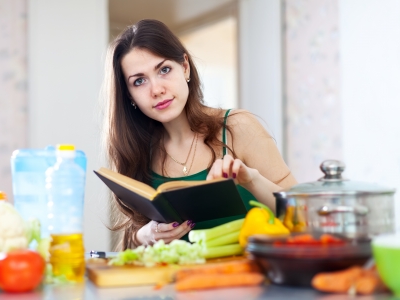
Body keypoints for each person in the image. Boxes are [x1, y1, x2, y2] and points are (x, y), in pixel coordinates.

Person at [102, 19, 297, 250]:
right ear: (129, 96)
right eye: (139, 81)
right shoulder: (138, 151)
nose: (156, 90)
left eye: (164, 70)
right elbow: (130, 252)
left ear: (184, 67)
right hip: (174, 285)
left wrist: (252, 179)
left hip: (250, 281)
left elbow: (301, 215)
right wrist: (143, 236)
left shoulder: (237, 127)